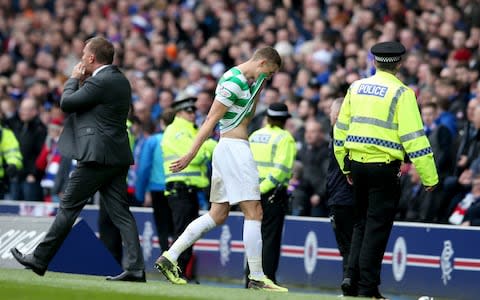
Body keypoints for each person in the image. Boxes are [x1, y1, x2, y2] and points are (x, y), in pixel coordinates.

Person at [10, 36, 145, 282]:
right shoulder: (120, 80)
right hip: (116, 155)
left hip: (96, 157)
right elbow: (93, 107)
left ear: (92, 58)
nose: (81, 58)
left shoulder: (101, 80)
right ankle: (136, 267)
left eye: (84, 54)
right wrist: (83, 82)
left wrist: (73, 79)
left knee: (68, 207)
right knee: (121, 213)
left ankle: (40, 259)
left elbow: (67, 103)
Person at [154, 46, 287, 292]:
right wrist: (190, 154)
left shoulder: (245, 83)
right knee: (255, 212)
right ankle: (257, 276)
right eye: (270, 72)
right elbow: (211, 120)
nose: (269, 77)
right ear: (262, 63)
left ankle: (170, 257)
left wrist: (258, 88)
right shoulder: (233, 80)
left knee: (218, 214)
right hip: (234, 149)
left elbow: (245, 117)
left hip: (229, 149)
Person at [333, 41, 439, 299]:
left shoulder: (355, 87)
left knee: (360, 223)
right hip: (384, 168)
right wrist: (429, 176)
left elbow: (340, 129)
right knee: (377, 228)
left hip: (356, 165)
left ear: (374, 62)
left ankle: (351, 278)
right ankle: (368, 289)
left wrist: (344, 164)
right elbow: (414, 137)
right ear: (399, 64)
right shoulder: (402, 93)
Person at [161, 92, 216, 281]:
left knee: (188, 233)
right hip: (180, 189)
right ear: (178, 113)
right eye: (188, 110)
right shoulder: (177, 131)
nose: (193, 113)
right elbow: (196, 155)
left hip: (190, 190)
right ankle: (177, 270)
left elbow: (201, 150)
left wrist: (205, 147)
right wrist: (207, 147)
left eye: (194, 110)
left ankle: (182, 271)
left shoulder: (192, 131)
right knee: (182, 232)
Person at [247, 102, 296, 285]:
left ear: (267, 118)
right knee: (269, 240)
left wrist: (253, 190)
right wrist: (264, 189)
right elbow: (281, 170)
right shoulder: (285, 138)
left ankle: (250, 278)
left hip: (251, 194)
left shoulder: (254, 136)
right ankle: (265, 279)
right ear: (284, 120)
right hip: (272, 195)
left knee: (253, 238)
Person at [326, 97, 355, 296]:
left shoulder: (340, 135)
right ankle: (351, 283)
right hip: (346, 197)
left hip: (343, 198)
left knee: (348, 246)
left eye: (330, 111)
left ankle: (351, 284)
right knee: (351, 245)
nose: (328, 114)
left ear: (337, 115)